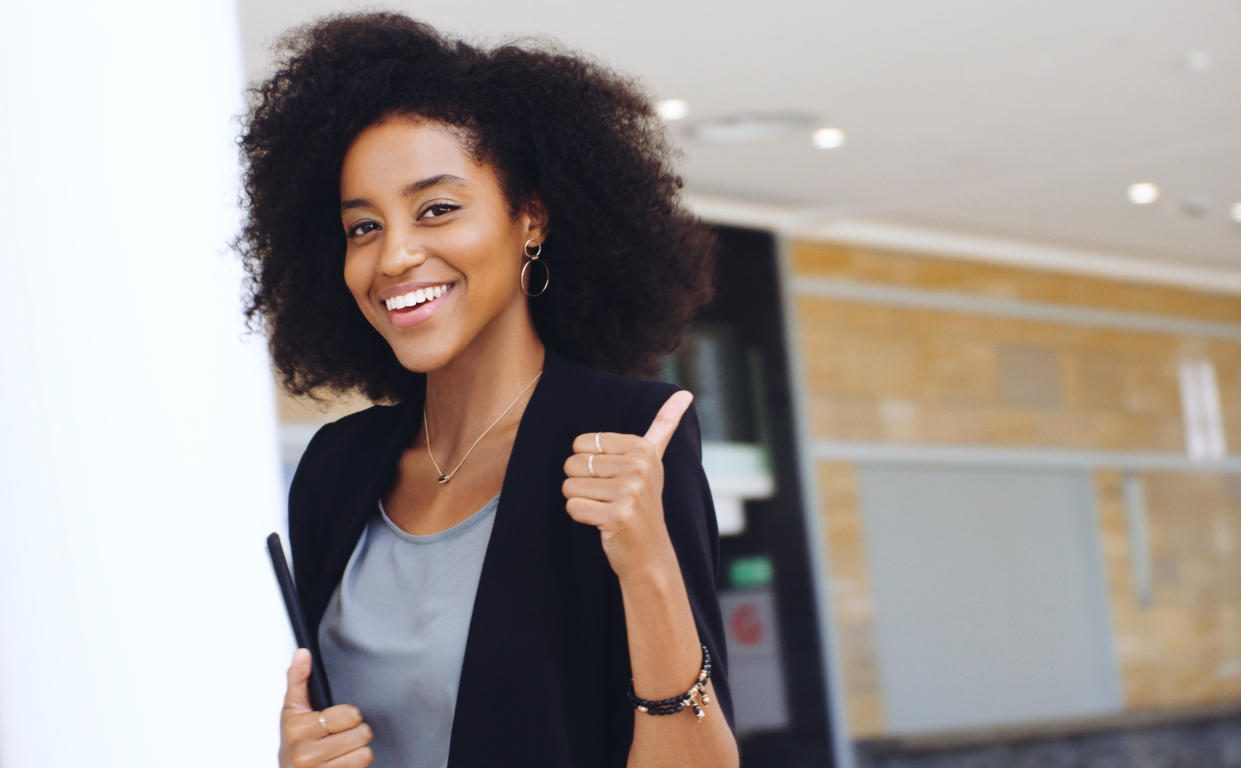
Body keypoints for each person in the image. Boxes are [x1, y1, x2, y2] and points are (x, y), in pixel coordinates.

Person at [235, 11, 737, 768]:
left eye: (436, 209)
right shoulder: (336, 468)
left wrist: (647, 565)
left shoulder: (621, 437)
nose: (395, 256)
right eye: (362, 227)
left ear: (528, 217)